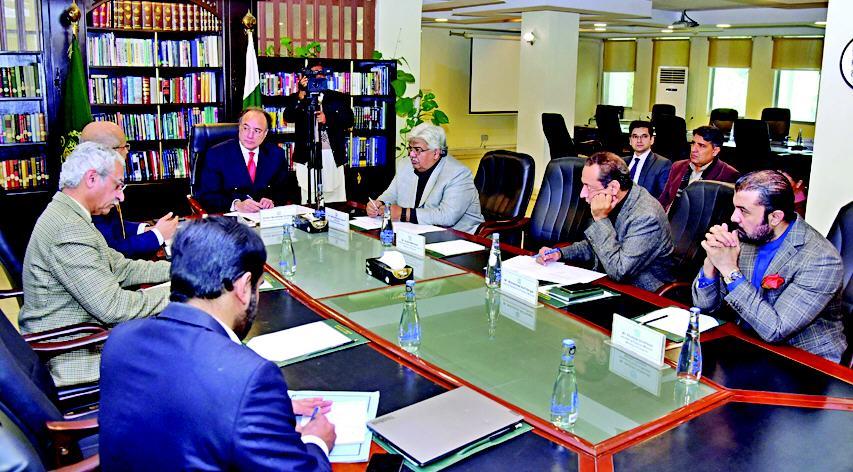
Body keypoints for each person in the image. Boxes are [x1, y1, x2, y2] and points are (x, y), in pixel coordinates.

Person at [100, 217, 335, 471]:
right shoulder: (249, 376)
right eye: (258, 286)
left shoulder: (121, 340)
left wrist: (265, 411)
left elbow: (176, 405)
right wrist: (316, 442)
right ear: (244, 287)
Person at [17, 142, 170, 386]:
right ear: (91, 178)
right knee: (178, 353)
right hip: (72, 352)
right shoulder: (68, 228)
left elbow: (120, 268)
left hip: (83, 334)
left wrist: (181, 271)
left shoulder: (70, 213)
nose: (121, 196)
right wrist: (181, 292)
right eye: (118, 185)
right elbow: (114, 308)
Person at [693, 170, 846, 362]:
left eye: (743, 211)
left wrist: (730, 271)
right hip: (748, 344)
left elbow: (776, 330)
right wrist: (711, 262)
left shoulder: (821, 259)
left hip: (804, 359)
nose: (733, 218)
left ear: (775, 217)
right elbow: (704, 307)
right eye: (735, 208)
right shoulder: (747, 235)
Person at [537, 152, 674, 292]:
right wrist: (560, 253)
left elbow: (619, 271)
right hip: (609, 280)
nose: (582, 194)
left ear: (613, 187)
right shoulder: (617, 198)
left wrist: (600, 219)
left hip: (642, 294)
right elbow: (596, 246)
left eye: (589, 186)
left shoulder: (646, 216)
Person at [81, 120, 178, 259]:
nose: (127, 151)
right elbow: (112, 252)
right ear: (110, 151)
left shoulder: (97, 176)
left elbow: (115, 227)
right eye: (124, 146)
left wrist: (148, 229)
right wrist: (157, 234)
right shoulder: (92, 188)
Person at [366, 123, 484, 234]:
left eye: (417, 150)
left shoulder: (458, 173)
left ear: (436, 153)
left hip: (459, 237)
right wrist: (379, 204)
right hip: (417, 232)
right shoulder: (405, 165)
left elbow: (447, 216)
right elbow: (392, 194)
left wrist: (403, 214)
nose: (411, 155)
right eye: (410, 149)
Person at [196, 107, 297, 213]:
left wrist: (272, 201)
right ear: (239, 127)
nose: (250, 135)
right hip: (230, 218)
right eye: (245, 128)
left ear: (265, 133)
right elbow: (207, 196)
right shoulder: (216, 154)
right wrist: (236, 205)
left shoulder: (276, 154)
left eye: (257, 130)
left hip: (263, 217)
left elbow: (285, 190)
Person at [283, 61, 354, 204]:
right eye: (313, 74)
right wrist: (301, 94)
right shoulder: (299, 97)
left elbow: (349, 121)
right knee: (309, 200)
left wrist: (328, 119)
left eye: (320, 73)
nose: (318, 76)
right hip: (307, 155)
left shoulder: (338, 97)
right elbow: (288, 117)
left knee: (335, 201)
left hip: (332, 155)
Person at [658, 126, 740, 211]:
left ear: (715, 151)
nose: (693, 149)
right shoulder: (678, 166)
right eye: (693, 143)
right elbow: (663, 200)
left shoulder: (728, 175)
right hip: (668, 217)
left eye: (701, 146)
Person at [624, 120, 671, 199]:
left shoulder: (662, 164)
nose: (639, 140)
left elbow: (663, 198)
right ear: (630, 140)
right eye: (635, 136)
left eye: (644, 136)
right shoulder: (621, 162)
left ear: (652, 140)